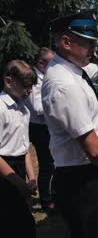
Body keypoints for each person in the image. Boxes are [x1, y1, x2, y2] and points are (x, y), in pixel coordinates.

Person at [42, 11, 98, 238]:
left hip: (86, 175)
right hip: (83, 179)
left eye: (94, 42)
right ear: (66, 42)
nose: (93, 48)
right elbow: (91, 146)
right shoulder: (64, 84)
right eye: (87, 43)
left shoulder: (74, 69)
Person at [0, 60, 38, 237]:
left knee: (24, 224)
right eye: (25, 86)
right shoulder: (1, 109)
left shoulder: (24, 110)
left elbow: (24, 149)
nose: (29, 91)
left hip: (18, 170)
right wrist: (18, 182)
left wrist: (31, 178)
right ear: (9, 82)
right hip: (5, 171)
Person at [25, 47, 56, 213]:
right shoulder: (35, 78)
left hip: (47, 127)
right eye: (52, 63)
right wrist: (57, 101)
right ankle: (46, 200)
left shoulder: (46, 77)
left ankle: (53, 194)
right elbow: (37, 107)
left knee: (53, 163)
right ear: (41, 63)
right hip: (39, 127)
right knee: (47, 165)